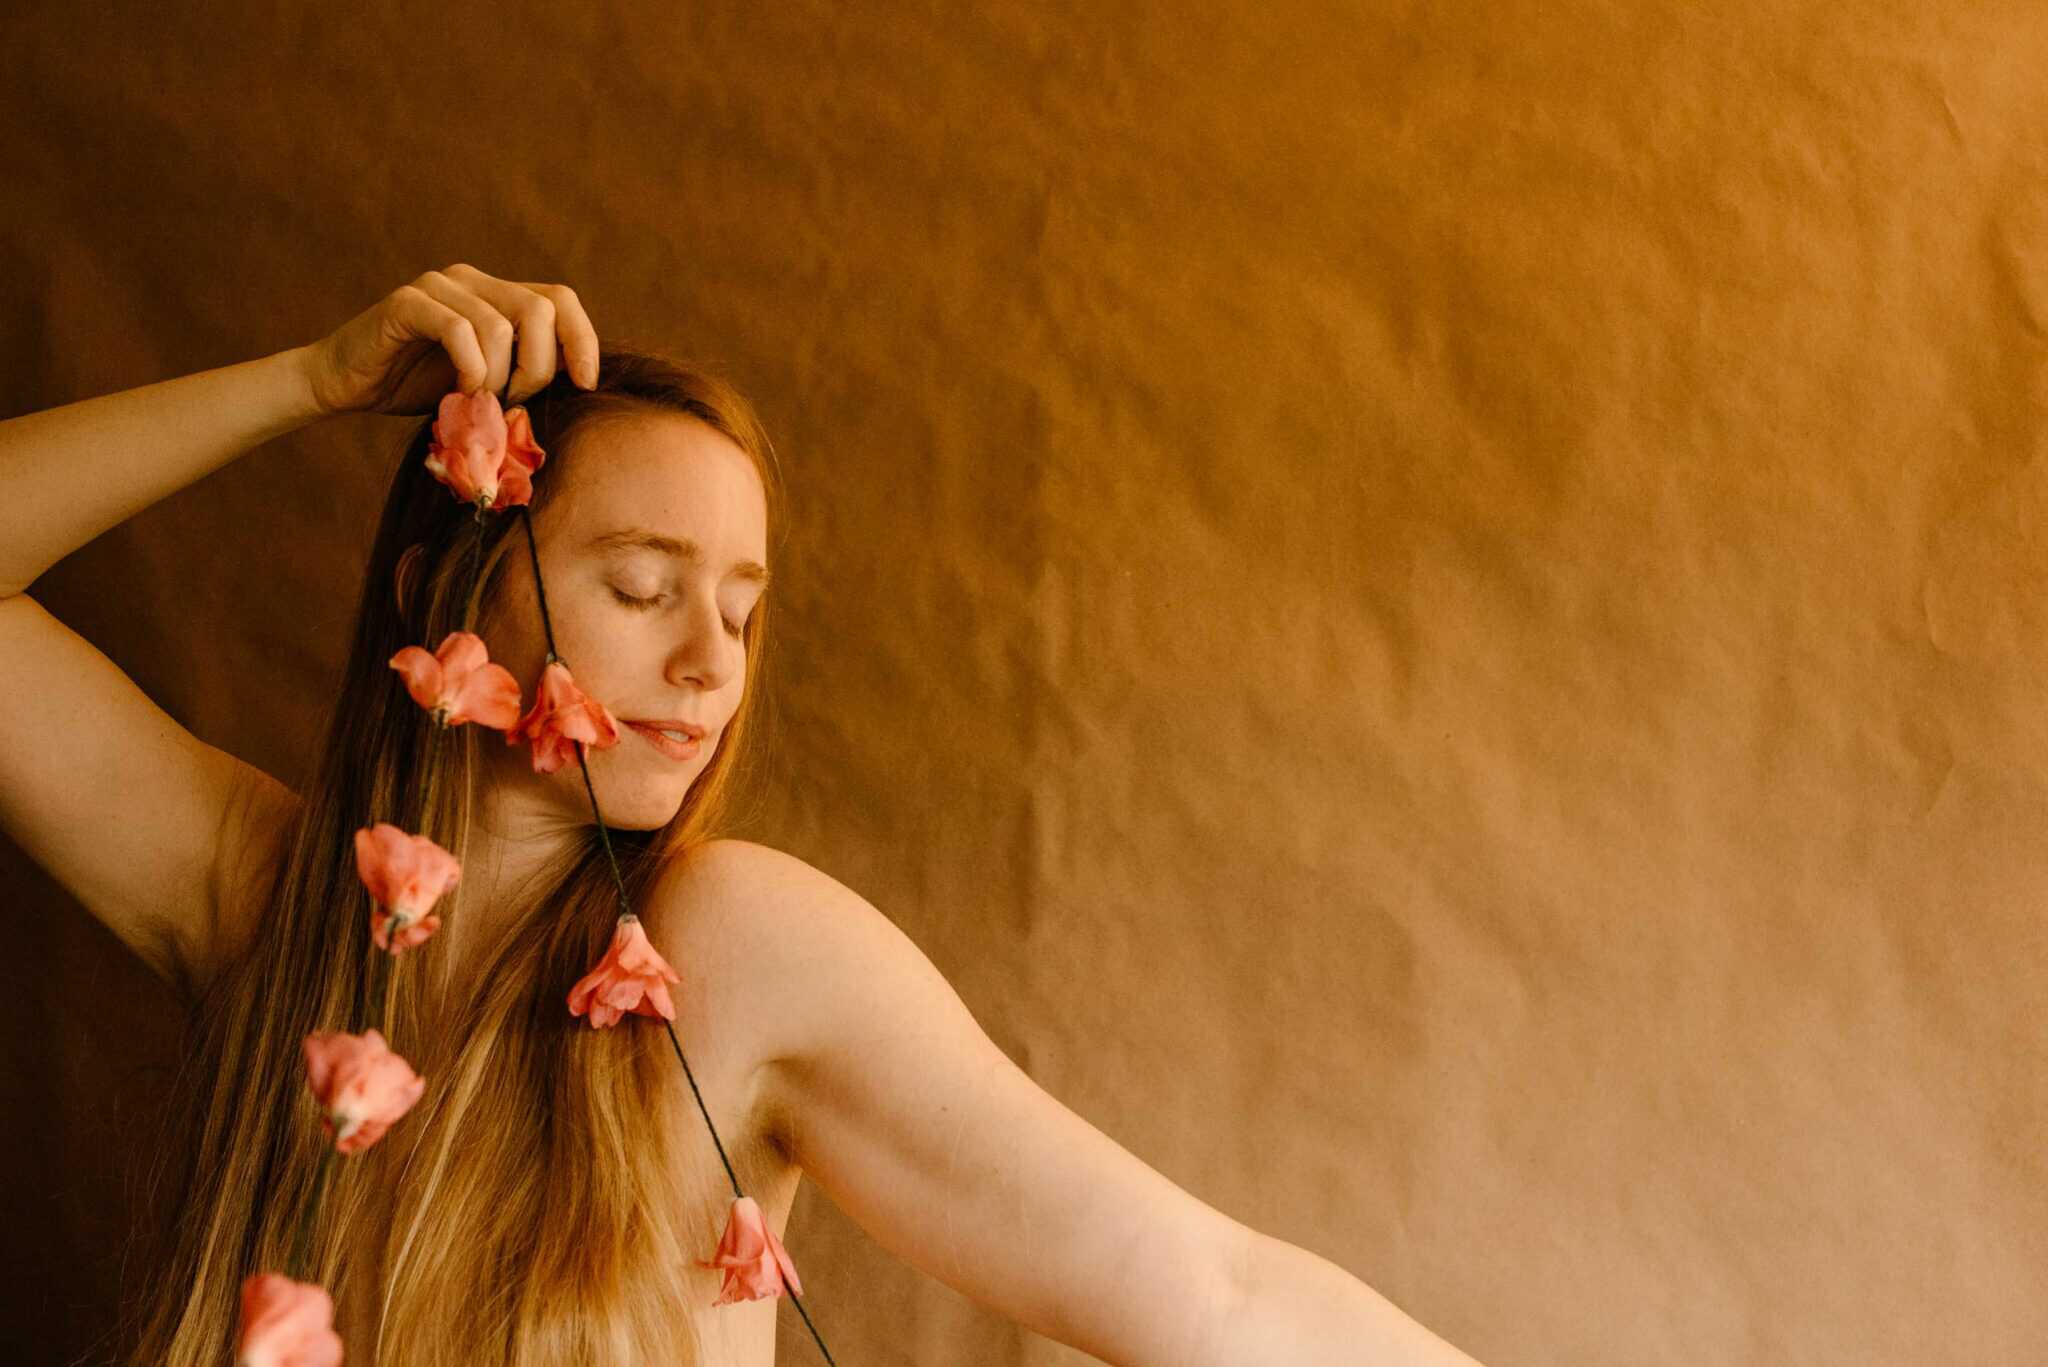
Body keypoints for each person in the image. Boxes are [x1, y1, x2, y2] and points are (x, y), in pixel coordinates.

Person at [0, 263, 1488, 1366]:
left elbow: (1216, 1295)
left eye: (743, 610)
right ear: (439, 593)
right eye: (641, 589)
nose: (709, 662)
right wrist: (312, 381)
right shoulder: (263, 894)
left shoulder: (737, 945)